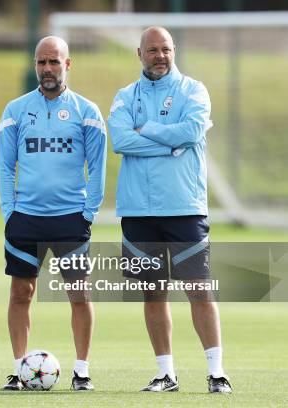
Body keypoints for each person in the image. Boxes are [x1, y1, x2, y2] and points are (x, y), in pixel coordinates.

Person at [107, 26, 232, 393]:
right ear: (139, 54)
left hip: (185, 208)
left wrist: (146, 130)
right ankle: (166, 374)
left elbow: (192, 132)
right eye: (152, 50)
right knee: (153, 292)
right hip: (138, 211)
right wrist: (167, 141)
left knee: (199, 289)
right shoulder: (125, 96)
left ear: (174, 50)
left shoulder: (193, 89)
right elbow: (120, 139)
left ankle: (216, 372)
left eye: (165, 49)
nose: (160, 56)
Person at [0, 36, 107, 391]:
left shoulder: (87, 111)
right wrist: (9, 212)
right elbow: (5, 165)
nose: (47, 69)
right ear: (35, 65)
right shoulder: (15, 110)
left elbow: (98, 166)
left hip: (70, 218)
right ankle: (19, 369)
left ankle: (82, 371)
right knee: (21, 293)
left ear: (68, 64)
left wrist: (88, 212)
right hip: (25, 218)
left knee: (79, 294)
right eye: (42, 62)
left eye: (54, 62)